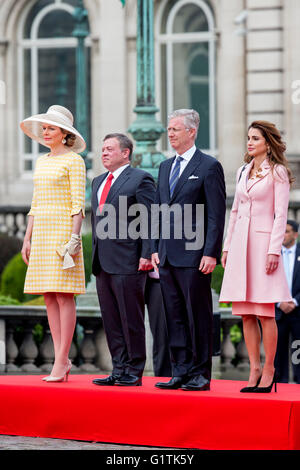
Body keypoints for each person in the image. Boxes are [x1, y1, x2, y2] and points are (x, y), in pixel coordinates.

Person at [152, 109, 226, 391]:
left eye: (175, 129)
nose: (169, 134)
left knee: (198, 315)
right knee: (175, 315)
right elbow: (159, 211)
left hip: (196, 256)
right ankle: (180, 371)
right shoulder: (164, 167)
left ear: (192, 132)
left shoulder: (208, 166)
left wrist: (211, 252)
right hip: (168, 255)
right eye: (169, 130)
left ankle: (200, 374)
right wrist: (156, 248)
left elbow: (215, 215)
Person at [220, 120, 294, 393]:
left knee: (264, 312)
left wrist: (274, 249)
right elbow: (236, 212)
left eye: (255, 139)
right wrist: (227, 247)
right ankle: (253, 367)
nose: (249, 142)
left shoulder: (278, 173)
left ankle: (270, 368)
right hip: (240, 245)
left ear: (268, 143)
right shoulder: (242, 171)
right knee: (245, 313)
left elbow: (281, 214)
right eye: (248, 138)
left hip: (264, 246)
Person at [20, 105, 86, 382]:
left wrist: (73, 238)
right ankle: (62, 359)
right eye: (44, 128)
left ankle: (61, 360)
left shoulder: (74, 161)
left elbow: (77, 203)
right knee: (48, 294)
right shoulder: (42, 161)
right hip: (42, 233)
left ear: (65, 134)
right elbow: (36, 203)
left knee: (63, 294)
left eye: (51, 128)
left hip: (62, 232)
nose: (46, 132)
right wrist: (27, 237)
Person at [91, 133, 155, 387]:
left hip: (129, 260)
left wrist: (147, 254)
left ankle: (134, 370)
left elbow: (151, 219)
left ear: (125, 153)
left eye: (109, 149)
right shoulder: (97, 182)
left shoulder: (140, 179)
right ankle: (118, 368)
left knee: (131, 318)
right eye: (103, 148)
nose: (104, 153)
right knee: (111, 318)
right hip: (102, 262)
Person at [275, 220, 300, 384]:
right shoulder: (273, 254)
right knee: (278, 353)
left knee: (297, 351)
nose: (283, 234)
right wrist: (279, 302)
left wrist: (295, 302)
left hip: (298, 313)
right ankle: (280, 386)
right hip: (278, 312)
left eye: (287, 231)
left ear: (295, 235)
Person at [145, 271, 172, 377]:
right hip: (147, 279)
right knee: (161, 335)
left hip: (170, 276)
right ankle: (163, 376)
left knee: (164, 333)